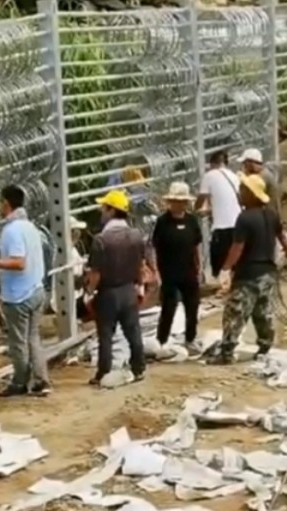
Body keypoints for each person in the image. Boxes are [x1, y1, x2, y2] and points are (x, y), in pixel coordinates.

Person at [211, 174, 287, 365]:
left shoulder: (245, 218)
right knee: (262, 312)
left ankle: (227, 353)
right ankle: (265, 346)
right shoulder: (271, 214)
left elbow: (237, 248)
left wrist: (226, 268)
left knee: (235, 312)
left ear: (251, 194)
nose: (239, 193)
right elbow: (283, 238)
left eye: (242, 190)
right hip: (268, 272)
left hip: (248, 273)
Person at [0, 185, 51, 397]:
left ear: (6, 203)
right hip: (36, 289)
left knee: (19, 342)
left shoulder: (11, 231)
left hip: (19, 295)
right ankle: (41, 381)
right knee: (33, 338)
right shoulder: (30, 227)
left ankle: (20, 383)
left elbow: (19, 263)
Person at [84, 189, 147, 386]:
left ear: (111, 211)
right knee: (133, 332)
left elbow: (96, 273)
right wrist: (140, 285)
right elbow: (141, 265)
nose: (101, 211)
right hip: (129, 290)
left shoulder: (101, 240)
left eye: (104, 207)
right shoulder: (136, 235)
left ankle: (103, 372)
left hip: (108, 293)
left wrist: (89, 292)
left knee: (105, 336)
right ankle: (139, 367)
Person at [151, 182, 202, 348]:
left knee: (192, 307)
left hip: (189, 271)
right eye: (174, 201)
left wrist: (199, 267)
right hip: (169, 273)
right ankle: (162, 340)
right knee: (168, 308)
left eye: (181, 201)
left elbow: (196, 246)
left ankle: (190, 338)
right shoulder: (162, 222)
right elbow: (154, 248)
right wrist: (156, 272)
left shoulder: (192, 221)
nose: (177, 205)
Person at [195, 150, 241, 280]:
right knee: (235, 262)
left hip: (221, 228)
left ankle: (222, 288)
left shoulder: (209, 176)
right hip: (238, 225)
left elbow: (200, 200)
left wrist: (194, 211)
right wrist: (211, 211)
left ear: (213, 163)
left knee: (219, 263)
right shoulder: (234, 176)